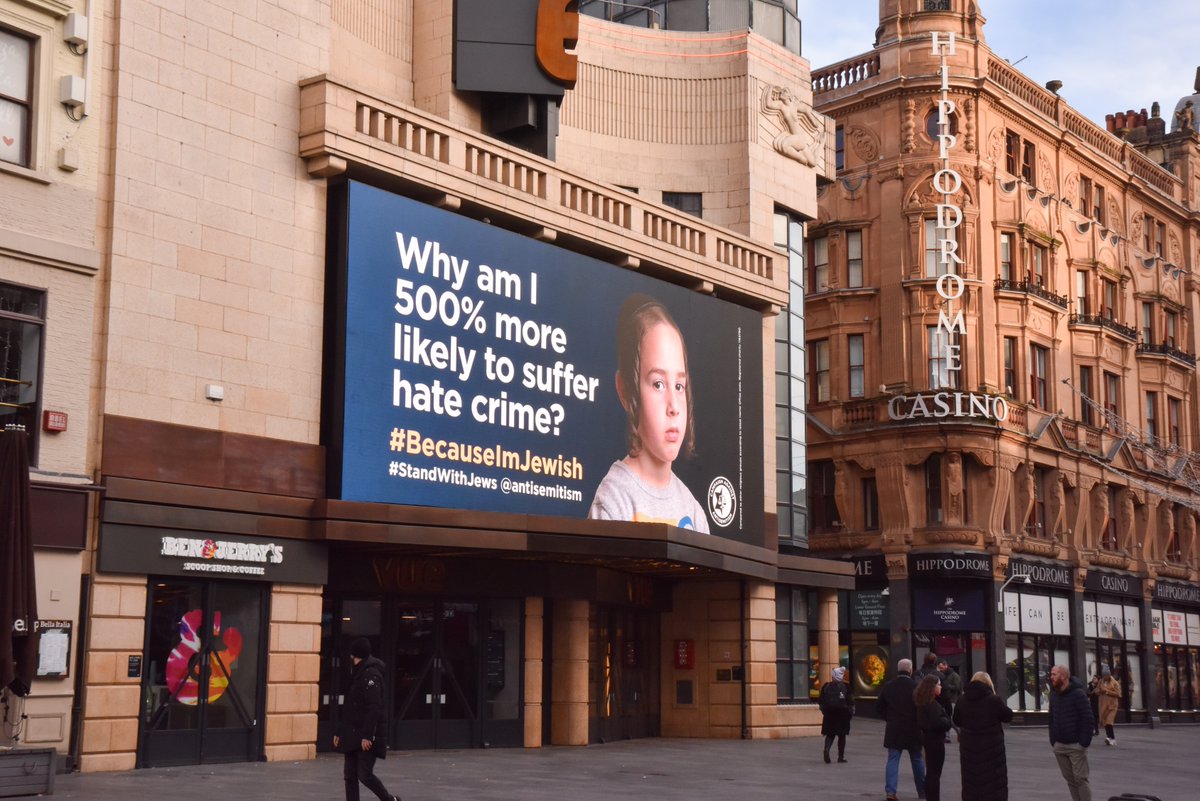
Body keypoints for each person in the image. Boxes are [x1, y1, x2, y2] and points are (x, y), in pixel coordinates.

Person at [589, 294, 709, 533]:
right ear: (625, 390)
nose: (673, 406)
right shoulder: (614, 499)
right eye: (657, 384)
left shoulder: (693, 512)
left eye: (679, 386)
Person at [334, 638, 400, 801]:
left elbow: (374, 708)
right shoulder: (356, 674)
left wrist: (367, 735)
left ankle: (389, 799)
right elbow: (348, 708)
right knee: (349, 775)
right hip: (351, 732)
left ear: (353, 655)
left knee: (364, 774)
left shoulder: (371, 675)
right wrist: (339, 732)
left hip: (365, 734)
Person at [952, 671, 1012, 801]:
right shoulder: (993, 699)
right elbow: (1008, 716)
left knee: (971, 781)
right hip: (992, 748)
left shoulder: (962, 700)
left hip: (969, 748)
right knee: (993, 782)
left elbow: (956, 720)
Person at [876, 657, 925, 801]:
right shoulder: (916, 686)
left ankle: (891, 792)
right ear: (910, 670)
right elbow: (922, 707)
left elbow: (878, 707)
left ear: (898, 670)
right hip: (913, 727)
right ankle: (922, 791)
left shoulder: (889, 686)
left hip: (894, 728)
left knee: (893, 759)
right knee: (916, 758)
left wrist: (889, 718)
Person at [1048, 664, 1094, 801]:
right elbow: (1051, 718)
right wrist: (1053, 740)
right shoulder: (1054, 695)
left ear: (1063, 676)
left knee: (1080, 779)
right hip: (1059, 745)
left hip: (1076, 746)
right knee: (1070, 780)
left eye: (1054, 674)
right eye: (1051, 674)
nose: (1051, 677)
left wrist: (1083, 743)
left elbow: (1088, 718)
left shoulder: (1078, 694)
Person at [914, 674, 952, 801]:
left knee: (931, 772)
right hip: (934, 740)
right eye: (939, 684)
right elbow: (938, 723)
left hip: (929, 739)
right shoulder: (931, 704)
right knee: (934, 773)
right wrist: (947, 721)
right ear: (932, 687)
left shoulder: (925, 701)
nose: (940, 687)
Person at [819, 665, 854, 764]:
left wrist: (825, 711)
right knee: (842, 736)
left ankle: (827, 748)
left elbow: (821, 701)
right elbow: (851, 701)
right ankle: (841, 757)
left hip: (829, 714)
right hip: (843, 714)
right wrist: (850, 713)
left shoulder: (826, 686)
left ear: (833, 676)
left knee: (830, 734)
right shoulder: (846, 687)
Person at [1096, 665, 1121, 745]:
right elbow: (1097, 690)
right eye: (1104, 675)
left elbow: (1118, 694)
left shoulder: (1114, 683)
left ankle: (1112, 738)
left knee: (1109, 721)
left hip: (1112, 706)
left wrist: (1106, 691)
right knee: (1105, 722)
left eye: (1106, 675)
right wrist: (1099, 691)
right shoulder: (1101, 681)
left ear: (1109, 675)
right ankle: (1109, 737)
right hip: (1103, 705)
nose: (1105, 677)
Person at [1085, 669, 1100, 736]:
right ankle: (1093, 730)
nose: (1093, 680)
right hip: (1092, 703)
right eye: (1093, 678)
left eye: (1095, 678)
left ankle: (1096, 730)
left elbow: (1099, 693)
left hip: (1098, 703)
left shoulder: (1100, 686)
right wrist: (1091, 687)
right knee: (1092, 717)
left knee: (1096, 718)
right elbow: (1087, 693)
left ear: (1098, 680)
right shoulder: (1090, 685)